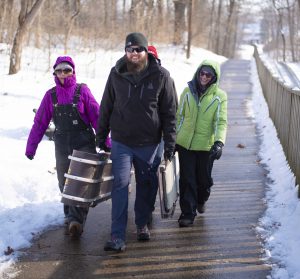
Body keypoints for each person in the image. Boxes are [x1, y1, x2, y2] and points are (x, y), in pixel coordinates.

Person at [96, 32, 177, 252]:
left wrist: (170, 143)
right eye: (130, 49)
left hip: (149, 143)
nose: (134, 54)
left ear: (146, 51)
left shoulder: (161, 76)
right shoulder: (115, 74)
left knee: (147, 185)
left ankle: (142, 223)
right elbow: (106, 106)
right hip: (121, 141)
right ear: (125, 51)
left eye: (138, 49)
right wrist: (101, 134)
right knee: (120, 185)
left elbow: (170, 113)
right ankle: (117, 235)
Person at [25, 56, 103, 238]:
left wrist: (104, 141)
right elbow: (40, 123)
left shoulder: (82, 91)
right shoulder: (50, 95)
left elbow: (97, 117)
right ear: (55, 72)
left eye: (66, 70)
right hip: (61, 144)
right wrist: (31, 147)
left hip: (84, 141)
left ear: (73, 71)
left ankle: (76, 220)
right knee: (64, 182)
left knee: (80, 183)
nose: (62, 74)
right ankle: (70, 216)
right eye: (59, 70)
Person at [176, 59, 227, 227]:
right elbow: (179, 117)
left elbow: (221, 122)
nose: (204, 77)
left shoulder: (220, 97)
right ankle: (187, 213)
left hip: (206, 146)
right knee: (187, 179)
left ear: (214, 77)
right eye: (202, 73)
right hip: (186, 144)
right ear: (198, 73)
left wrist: (219, 142)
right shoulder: (187, 92)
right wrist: (174, 139)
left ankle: (202, 198)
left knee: (203, 181)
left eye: (208, 74)